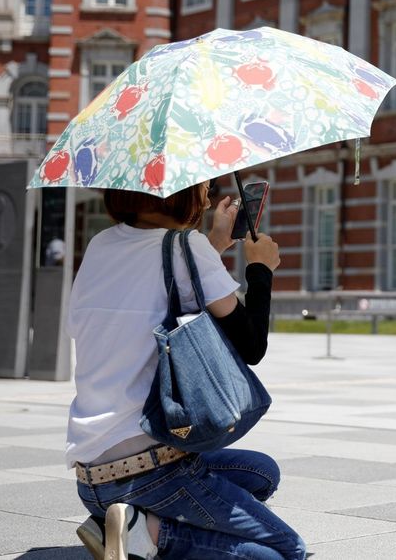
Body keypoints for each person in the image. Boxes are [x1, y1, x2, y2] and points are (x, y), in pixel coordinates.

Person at [65, 180, 306, 560]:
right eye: (203, 187)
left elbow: (160, 292)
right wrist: (260, 269)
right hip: (151, 471)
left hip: (93, 475)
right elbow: (252, 345)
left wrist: (214, 246)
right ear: (178, 192)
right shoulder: (186, 248)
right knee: (286, 551)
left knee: (261, 472)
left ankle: (113, 521)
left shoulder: (100, 245)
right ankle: (147, 533)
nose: (207, 198)